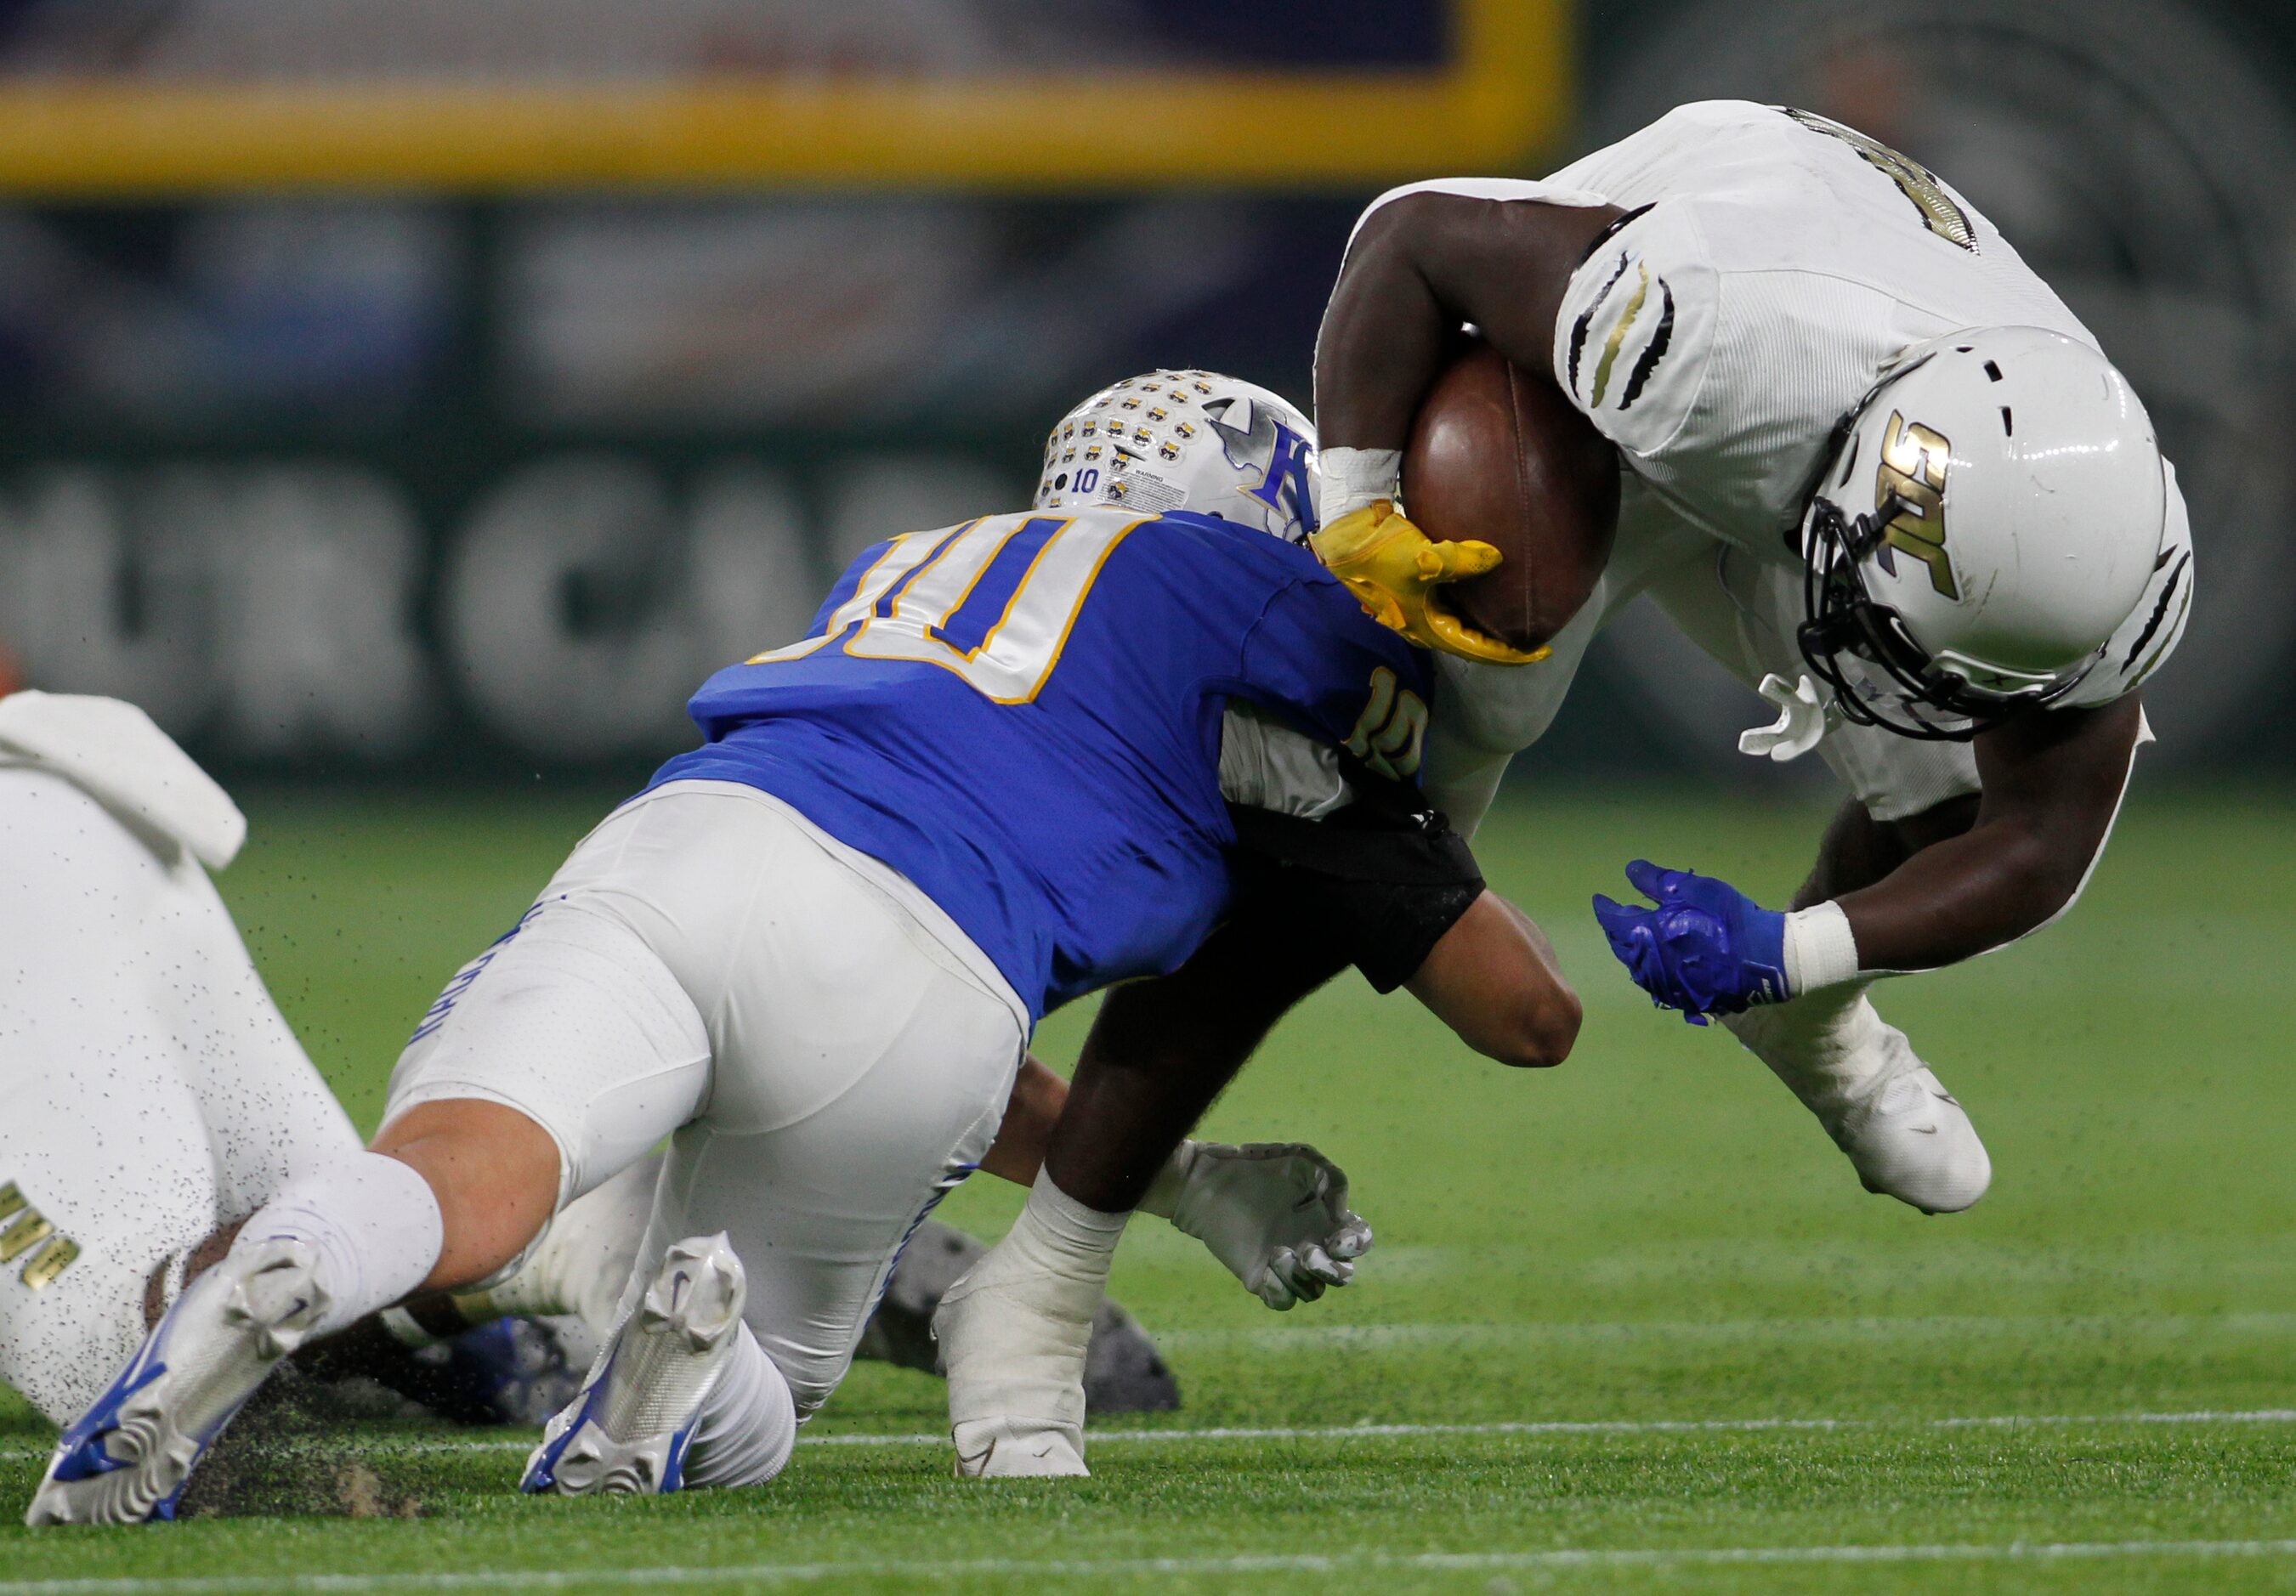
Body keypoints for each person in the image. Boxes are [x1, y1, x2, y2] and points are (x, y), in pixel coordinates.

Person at [29, 372, 1579, 1523]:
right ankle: (682, 1356)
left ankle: (302, 1258)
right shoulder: (1263, 607)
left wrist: (1178, 1180)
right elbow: (1519, 1008)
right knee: (770, 1391)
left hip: (694, 838)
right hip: (925, 984)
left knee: (463, 1165)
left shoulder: (929, 557)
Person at [1303, 99, 2191, 1214]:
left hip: (1828, 445)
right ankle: (1411, 834)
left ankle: (1805, 1034)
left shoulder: (2100, 541)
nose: (1906, 689)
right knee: (1461, 665)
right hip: (1624, 396)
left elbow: (2033, 846)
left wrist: (1789, 954)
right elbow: (1411, 234)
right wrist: (1356, 503)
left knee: (1954, 798)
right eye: (1906, 640)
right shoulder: (1700, 336)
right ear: (1864, 510)